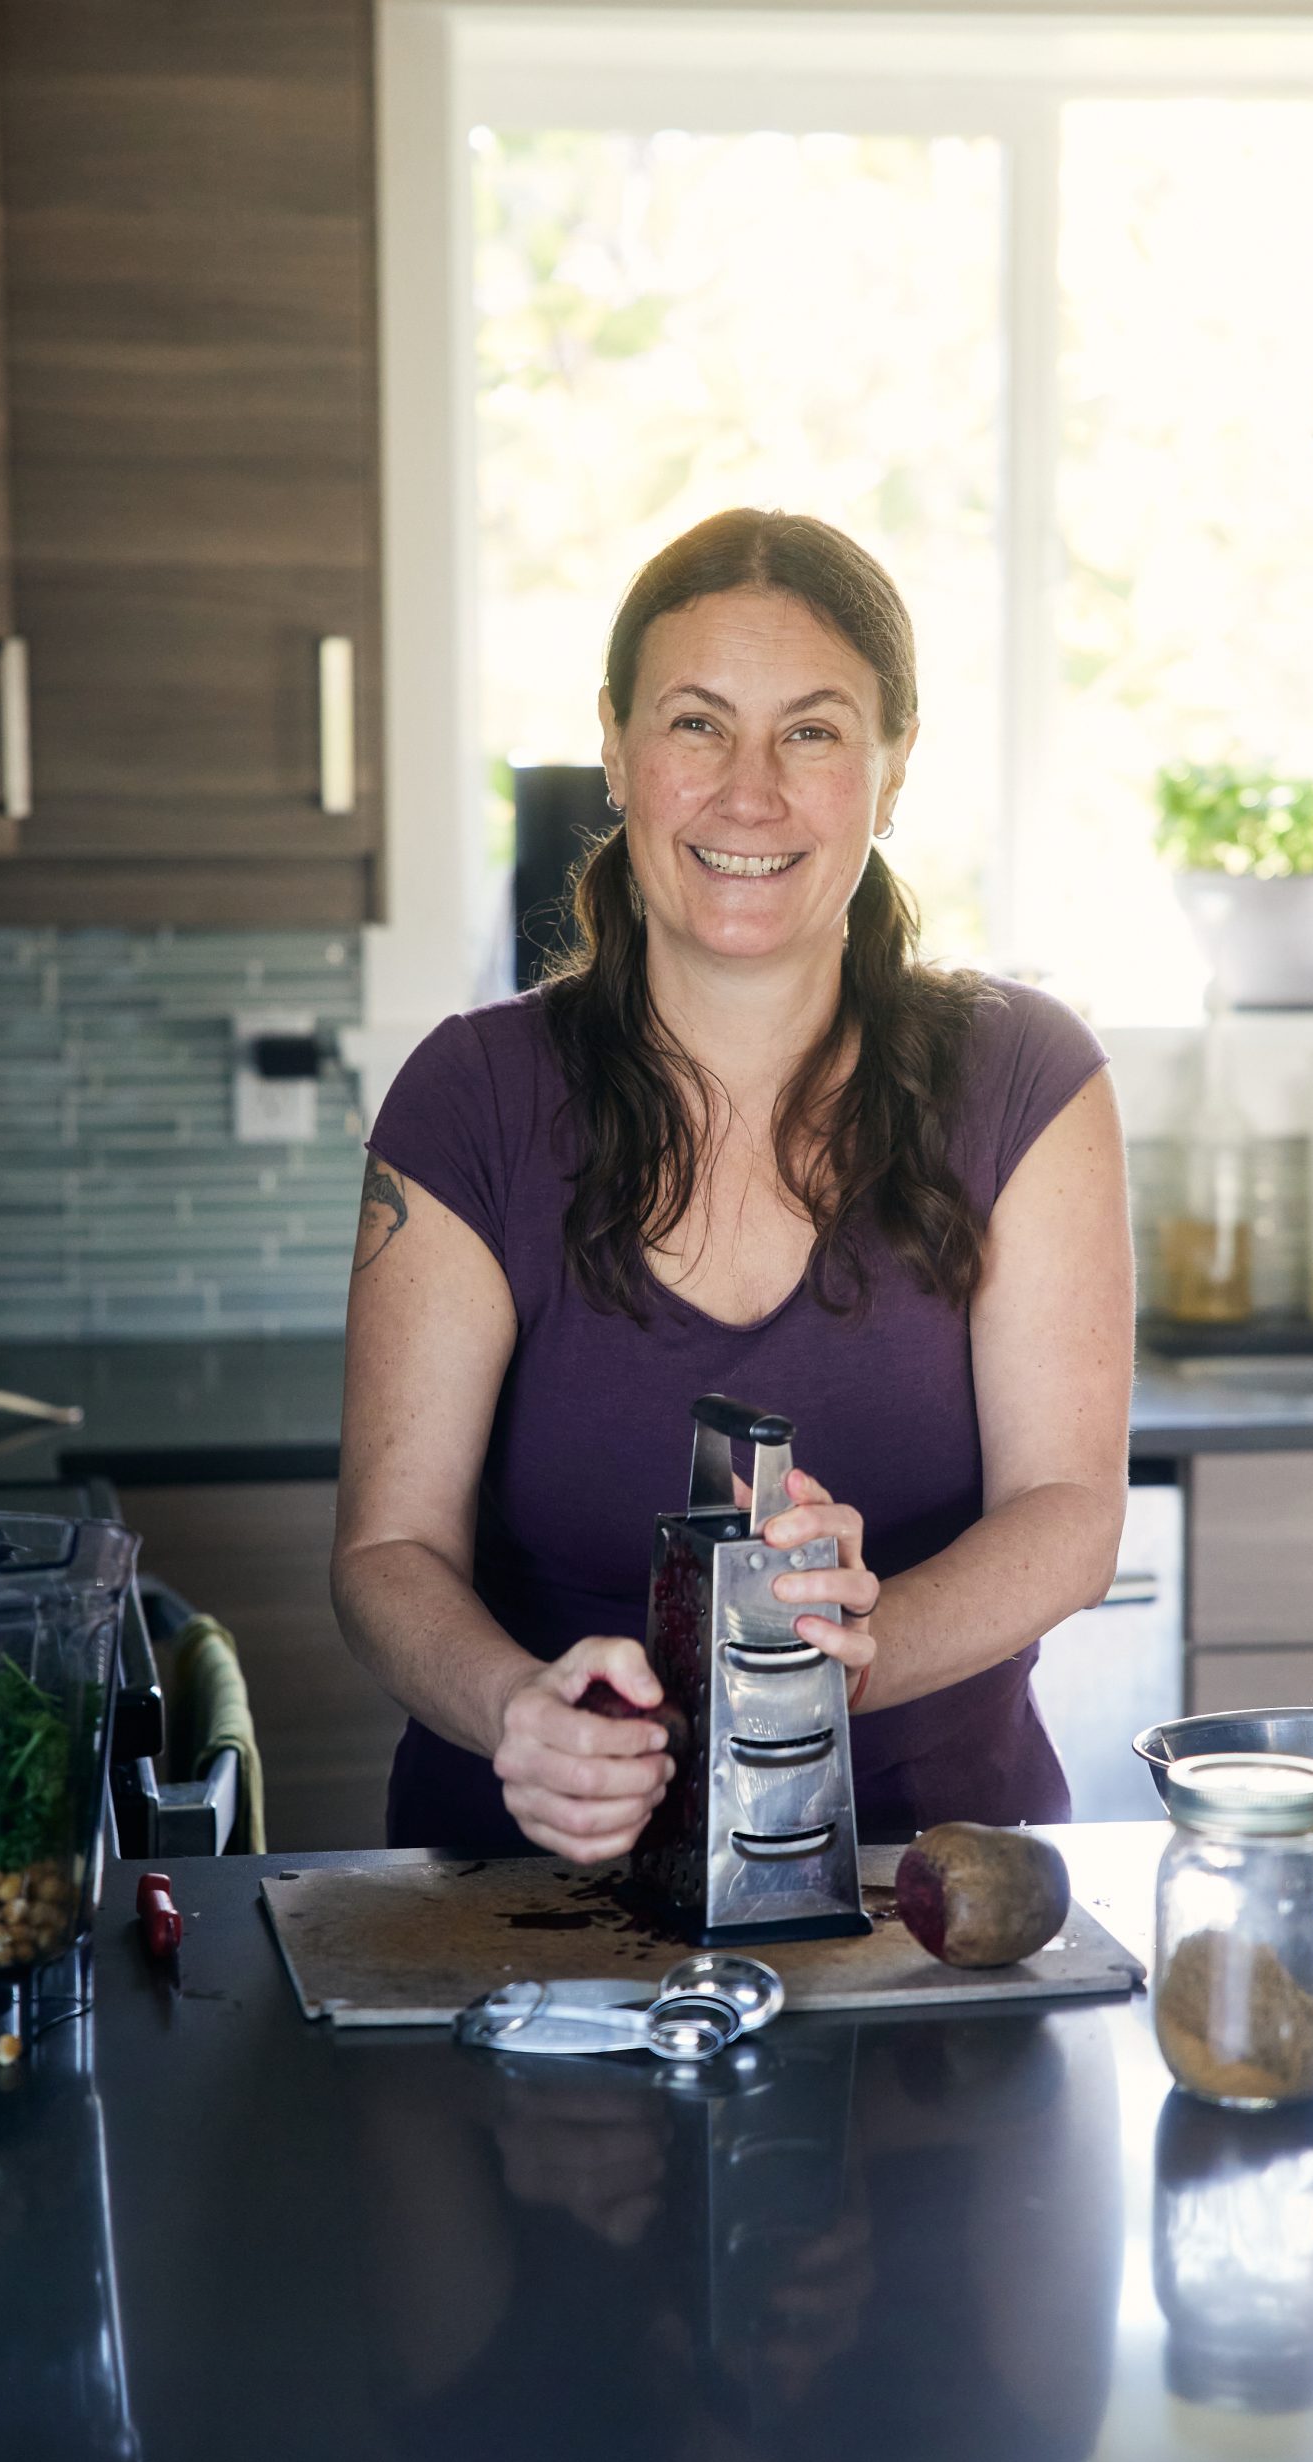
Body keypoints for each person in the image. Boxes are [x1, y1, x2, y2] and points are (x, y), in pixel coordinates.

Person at [331, 508, 1134, 1862]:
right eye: (698, 724)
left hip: (930, 1888)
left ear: (892, 771)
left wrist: (863, 1647)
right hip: (524, 1903)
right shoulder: (470, 1099)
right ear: (618, 747)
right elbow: (386, 1554)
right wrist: (514, 1707)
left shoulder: (1024, 1080)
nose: (748, 791)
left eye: (812, 732)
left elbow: (1069, 1514)